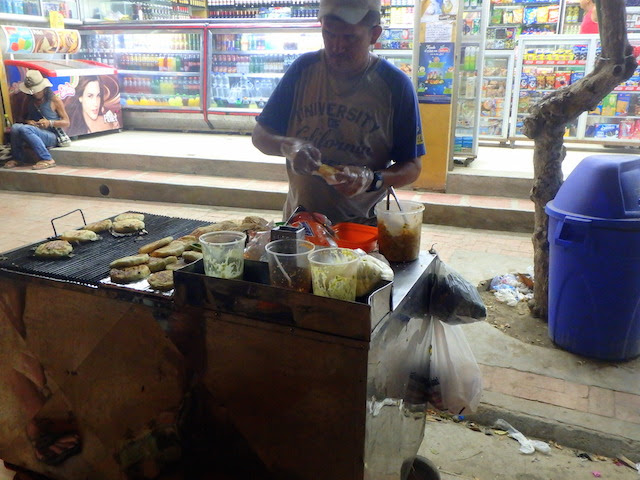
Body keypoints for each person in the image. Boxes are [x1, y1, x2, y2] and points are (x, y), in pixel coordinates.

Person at [251, 0, 425, 225]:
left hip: (362, 230)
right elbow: (260, 136)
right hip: (301, 226)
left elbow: (412, 167)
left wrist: (372, 179)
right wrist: (290, 147)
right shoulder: (303, 70)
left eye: (349, 37)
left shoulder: (395, 85)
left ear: (374, 35)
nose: (336, 46)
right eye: (329, 34)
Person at [5, 70, 70, 170]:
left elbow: (66, 122)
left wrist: (50, 123)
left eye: (37, 90)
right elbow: (21, 119)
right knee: (15, 127)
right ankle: (18, 158)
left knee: (25, 129)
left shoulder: (54, 100)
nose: (35, 93)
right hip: (33, 131)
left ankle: (47, 159)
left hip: (51, 135)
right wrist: (28, 122)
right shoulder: (29, 100)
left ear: (44, 88)